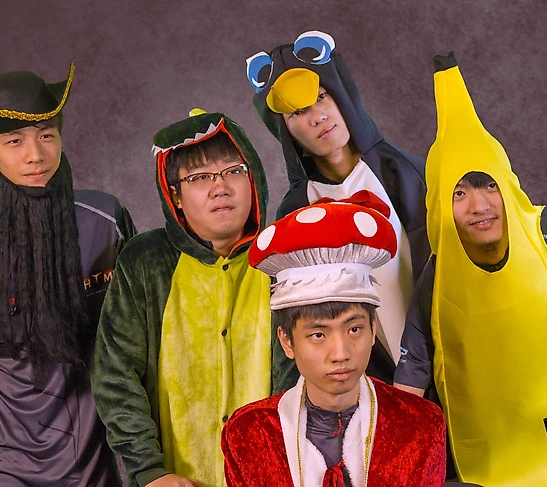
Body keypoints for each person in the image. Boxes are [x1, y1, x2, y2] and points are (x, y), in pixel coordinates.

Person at [393, 52, 547, 486]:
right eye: (459, 193)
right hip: (493, 461)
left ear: (507, 183)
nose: (480, 205)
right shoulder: (435, 281)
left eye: (489, 184)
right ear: (439, 207)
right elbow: (411, 384)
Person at [0, 65, 134, 486]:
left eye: (46, 135)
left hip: (97, 466)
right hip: (8, 469)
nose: (35, 154)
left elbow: (142, 339)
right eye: (14, 140)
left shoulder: (106, 220)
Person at [92, 110, 278, 487]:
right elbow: (116, 375)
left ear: (253, 178)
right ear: (174, 194)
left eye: (233, 171)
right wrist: (150, 471)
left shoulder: (283, 258)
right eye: (200, 177)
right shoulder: (145, 262)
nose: (220, 187)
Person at [222, 193, 447, 487]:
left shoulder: (420, 423)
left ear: (373, 328)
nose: (340, 353)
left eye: (354, 329)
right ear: (287, 341)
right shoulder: (250, 433)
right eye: (318, 335)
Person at [246, 30, 430, 388]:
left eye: (321, 97)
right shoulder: (295, 212)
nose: (317, 117)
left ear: (341, 94)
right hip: (366, 388)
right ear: (284, 129)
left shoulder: (409, 174)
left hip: (447, 365)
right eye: (298, 111)